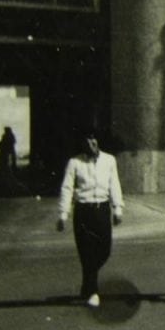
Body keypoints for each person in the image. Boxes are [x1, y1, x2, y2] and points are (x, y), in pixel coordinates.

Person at [56, 129, 124, 308]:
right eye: (87, 142)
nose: (91, 145)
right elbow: (67, 188)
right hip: (83, 211)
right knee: (86, 252)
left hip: (101, 209)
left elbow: (114, 184)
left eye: (94, 141)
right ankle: (93, 291)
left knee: (104, 250)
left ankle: (87, 283)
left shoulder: (109, 160)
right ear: (82, 144)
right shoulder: (74, 163)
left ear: (98, 141)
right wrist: (63, 213)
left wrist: (117, 208)